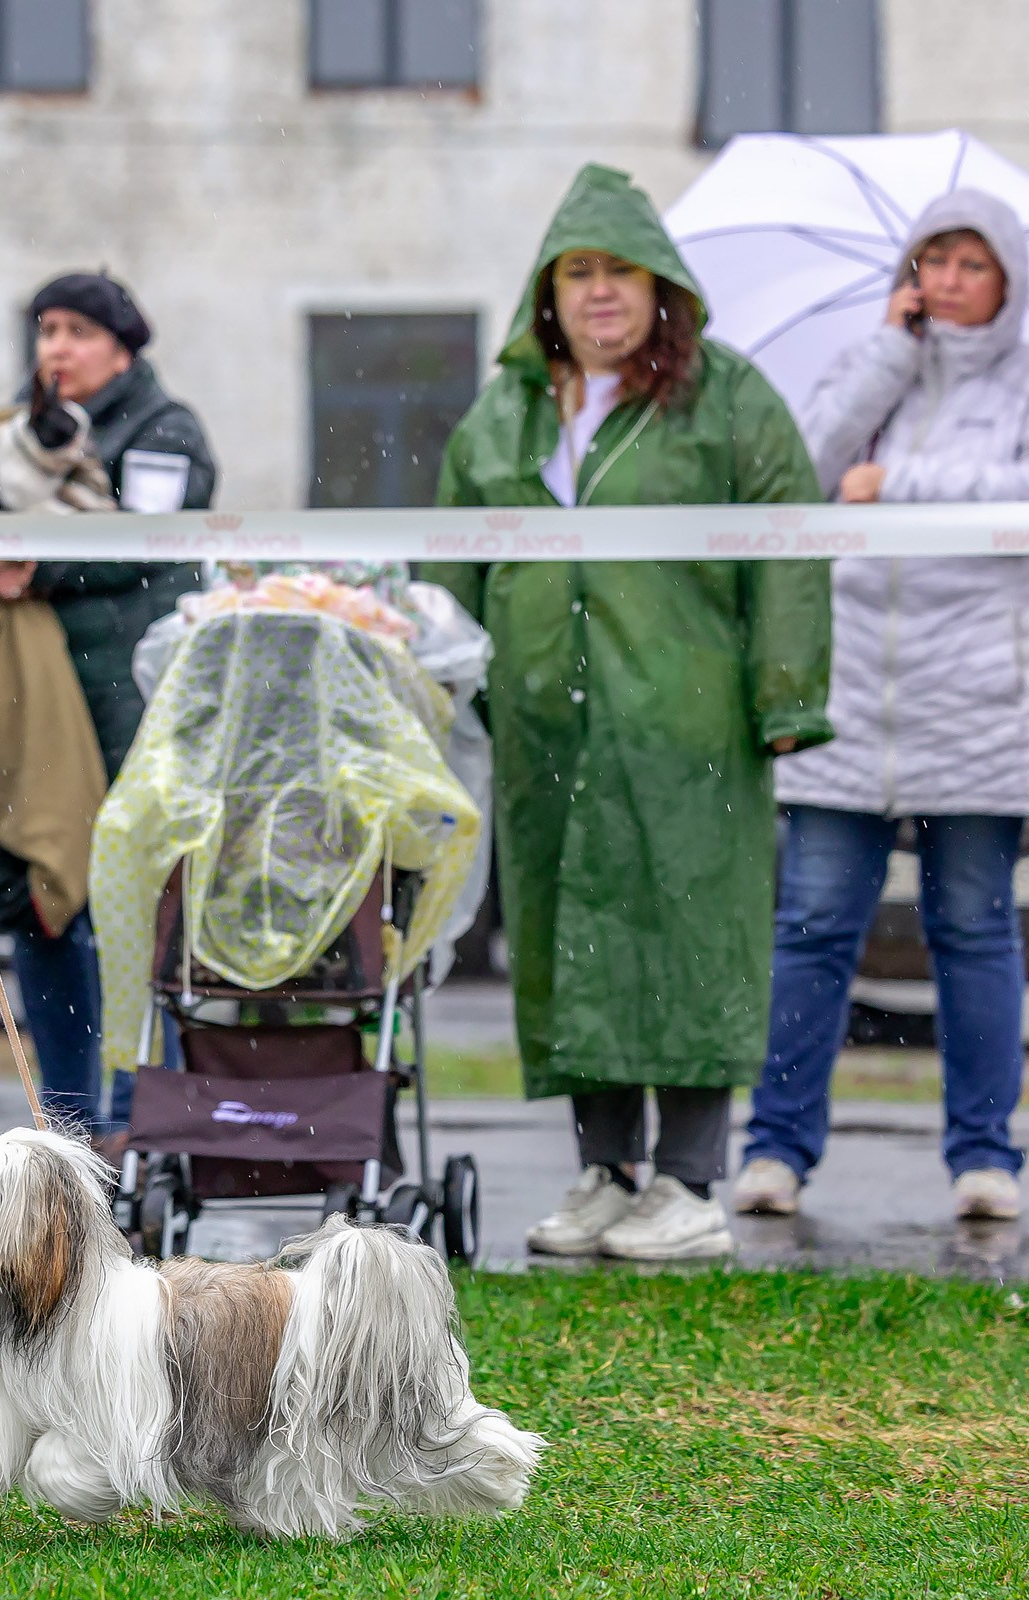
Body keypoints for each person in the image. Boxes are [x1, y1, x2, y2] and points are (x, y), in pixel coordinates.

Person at [423, 163, 834, 1262]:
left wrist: (786, 694)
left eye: (623, 273)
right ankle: (605, 1173)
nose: (601, 293)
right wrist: (433, 676)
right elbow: (452, 555)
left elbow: (791, 543)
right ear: (547, 293)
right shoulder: (505, 411)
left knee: (690, 930)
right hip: (543, 724)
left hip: (686, 719)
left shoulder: (726, 398)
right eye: (579, 273)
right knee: (571, 935)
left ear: (664, 289)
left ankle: (690, 1182)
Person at [738, 189, 1029, 1224]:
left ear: (1007, 279)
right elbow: (801, 473)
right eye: (930, 262)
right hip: (850, 688)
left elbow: (1010, 492)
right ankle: (773, 1148)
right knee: (813, 925)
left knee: (976, 928)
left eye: (969, 264)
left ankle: (987, 1155)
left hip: (979, 699)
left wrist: (892, 484)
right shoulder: (874, 369)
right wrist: (885, 363)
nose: (945, 283)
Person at [0, 270, 211, 1135]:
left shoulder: (164, 431)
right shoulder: (19, 436)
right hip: (37, 711)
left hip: (132, 706)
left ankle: (153, 1121)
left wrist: (33, 566)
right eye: (45, 330)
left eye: (76, 330)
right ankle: (68, 1122)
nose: (55, 349)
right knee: (44, 897)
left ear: (123, 344)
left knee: (143, 914)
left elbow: (142, 542)